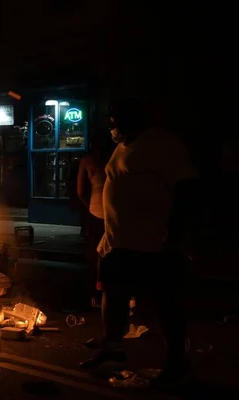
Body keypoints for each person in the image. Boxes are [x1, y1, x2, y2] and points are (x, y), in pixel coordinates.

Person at [80, 98, 198, 389]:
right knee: (113, 295)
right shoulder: (123, 146)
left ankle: (176, 363)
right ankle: (112, 352)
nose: (112, 127)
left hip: (152, 242)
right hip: (118, 241)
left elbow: (186, 186)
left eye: (116, 122)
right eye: (111, 122)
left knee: (164, 302)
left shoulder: (161, 144)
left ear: (135, 120)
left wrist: (176, 232)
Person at [77, 130, 113, 307]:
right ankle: (114, 293)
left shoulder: (87, 160)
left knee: (96, 255)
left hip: (95, 212)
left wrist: (89, 205)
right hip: (114, 213)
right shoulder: (115, 157)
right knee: (113, 254)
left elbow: (80, 191)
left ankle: (95, 295)